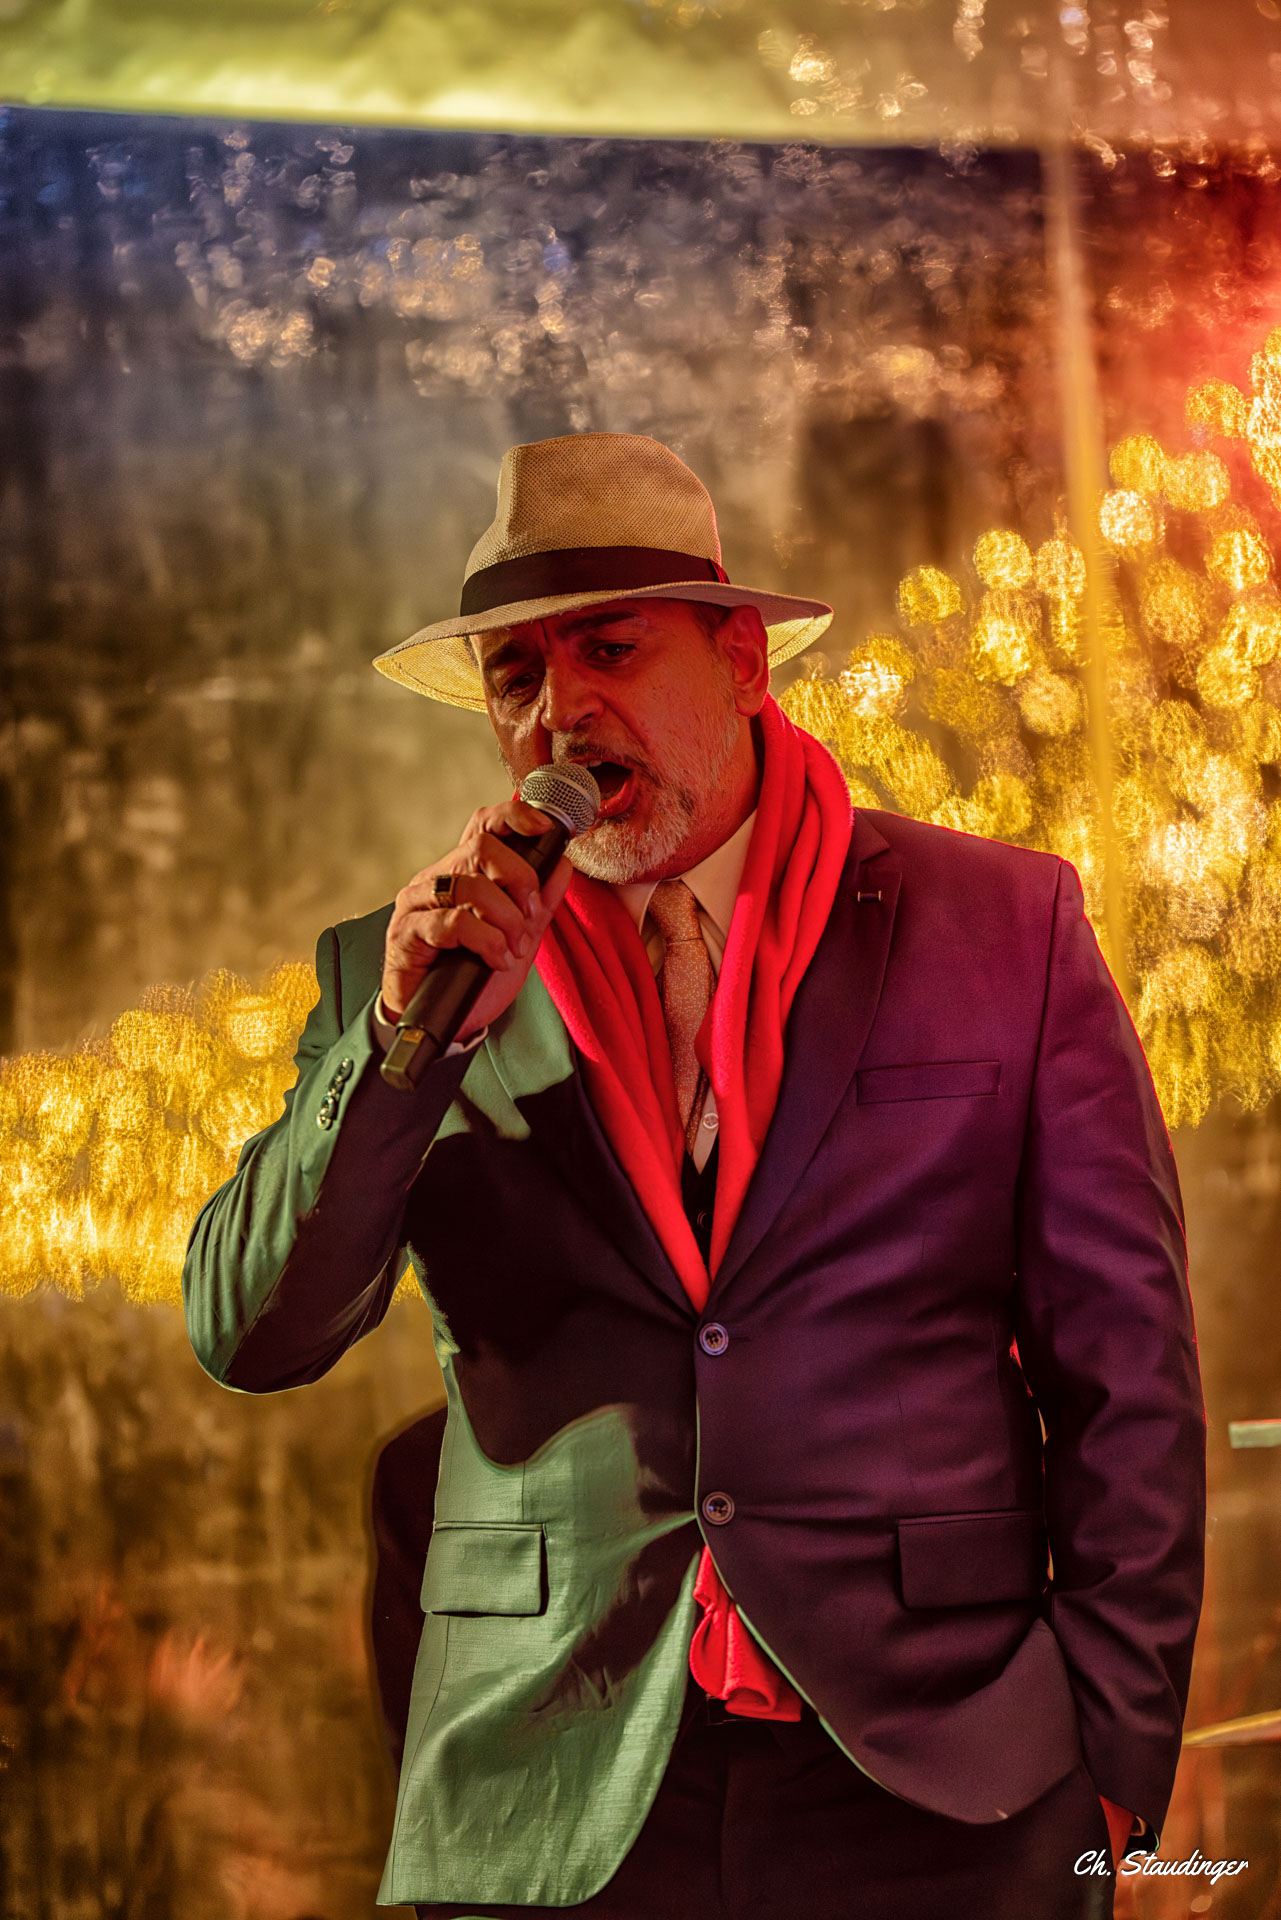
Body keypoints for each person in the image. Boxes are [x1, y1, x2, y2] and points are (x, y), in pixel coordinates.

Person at [183, 432, 1206, 1920]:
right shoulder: (401, 971)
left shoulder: (999, 925)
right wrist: (407, 1048)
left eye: (609, 649)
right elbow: (250, 1331)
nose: (559, 711)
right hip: (545, 1791)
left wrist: (1110, 1761)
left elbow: (1128, 1373)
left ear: (742, 662)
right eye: (516, 676)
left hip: (945, 1776)